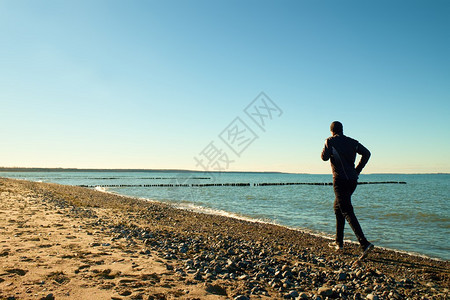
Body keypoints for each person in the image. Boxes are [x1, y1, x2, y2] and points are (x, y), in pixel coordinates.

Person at [321, 121, 374, 259]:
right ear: (342, 130)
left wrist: (327, 145)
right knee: (338, 208)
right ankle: (339, 243)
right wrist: (357, 170)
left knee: (346, 210)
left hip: (339, 180)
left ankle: (364, 243)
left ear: (331, 131)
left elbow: (324, 158)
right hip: (352, 180)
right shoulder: (352, 142)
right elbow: (367, 153)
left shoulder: (330, 141)